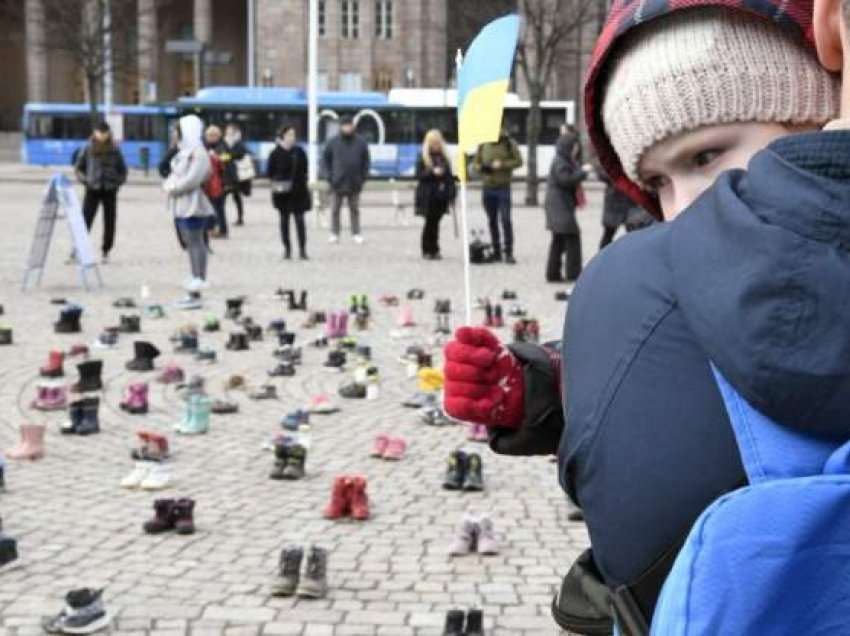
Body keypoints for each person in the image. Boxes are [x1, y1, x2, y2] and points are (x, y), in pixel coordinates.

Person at [441, 0, 843, 630]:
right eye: (657, 183)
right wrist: (542, 388)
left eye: (707, 156)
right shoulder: (684, 269)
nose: (680, 208)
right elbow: (687, 373)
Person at [163, 115, 215, 292]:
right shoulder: (183, 150)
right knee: (188, 240)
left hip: (193, 203)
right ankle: (194, 274)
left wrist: (174, 188)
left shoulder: (198, 152)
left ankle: (200, 276)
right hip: (182, 203)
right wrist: (169, 184)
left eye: (178, 131)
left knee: (196, 240)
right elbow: (175, 172)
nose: (175, 135)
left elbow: (193, 178)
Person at [74, 121, 127, 264]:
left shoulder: (115, 149)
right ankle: (78, 249)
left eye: (105, 133)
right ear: (95, 132)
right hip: (92, 189)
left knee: (110, 222)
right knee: (85, 220)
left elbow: (123, 170)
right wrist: (86, 181)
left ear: (109, 133)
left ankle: (106, 250)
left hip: (110, 189)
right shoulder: (88, 148)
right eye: (100, 132)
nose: (102, 135)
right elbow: (79, 168)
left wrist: (117, 183)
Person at [473, 127, 522, 264]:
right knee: (492, 220)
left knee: (506, 219)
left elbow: (518, 161)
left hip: (503, 187)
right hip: (488, 187)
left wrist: (502, 165)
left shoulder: (509, 143)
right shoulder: (483, 144)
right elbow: (475, 163)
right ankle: (496, 251)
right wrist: (483, 167)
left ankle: (509, 252)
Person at [543, 132, 587, 282]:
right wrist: (583, 172)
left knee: (559, 239)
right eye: (575, 147)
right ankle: (573, 273)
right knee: (572, 238)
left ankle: (553, 274)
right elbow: (566, 180)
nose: (576, 150)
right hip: (559, 206)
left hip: (559, 205)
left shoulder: (563, 160)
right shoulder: (560, 161)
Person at [321, 116, 370, 244]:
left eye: (349, 125)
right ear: (341, 127)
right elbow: (325, 161)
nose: (347, 127)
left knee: (354, 209)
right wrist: (329, 177)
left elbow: (366, 161)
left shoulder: (361, 142)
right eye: (345, 125)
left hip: (354, 182)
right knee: (335, 210)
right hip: (337, 182)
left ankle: (356, 233)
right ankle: (334, 233)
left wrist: (363, 178)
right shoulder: (332, 142)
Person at [267, 125, 311, 260]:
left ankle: (302, 250)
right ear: (283, 136)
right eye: (289, 134)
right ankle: (287, 249)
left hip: (299, 192)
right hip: (282, 194)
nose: (292, 137)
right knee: (284, 222)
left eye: (293, 134)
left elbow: (305, 170)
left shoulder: (300, 152)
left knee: (300, 221)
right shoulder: (275, 153)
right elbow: (270, 172)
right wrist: (279, 180)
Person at [414, 129, 456, 260]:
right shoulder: (423, 157)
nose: (435, 146)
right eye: (433, 143)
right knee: (429, 222)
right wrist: (432, 172)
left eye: (437, 143)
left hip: (440, 195)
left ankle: (435, 248)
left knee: (436, 222)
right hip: (427, 195)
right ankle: (427, 249)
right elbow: (418, 175)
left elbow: (449, 177)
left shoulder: (444, 158)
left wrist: (452, 193)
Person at [597, 166, 633, 249]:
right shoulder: (610, 158)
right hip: (614, 202)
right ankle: (602, 258)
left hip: (630, 201)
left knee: (635, 233)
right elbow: (601, 174)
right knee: (609, 233)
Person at [204, 125, 229, 238]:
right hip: (209, 182)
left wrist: (217, 157)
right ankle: (212, 228)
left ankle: (221, 230)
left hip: (220, 182)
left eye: (213, 135)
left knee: (218, 207)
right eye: (209, 135)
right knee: (211, 207)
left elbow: (227, 160)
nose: (211, 137)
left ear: (218, 136)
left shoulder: (222, 146)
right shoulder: (205, 146)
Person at [224, 124, 251, 226]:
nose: (228, 133)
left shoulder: (239, 143)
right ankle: (221, 218)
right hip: (227, 174)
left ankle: (240, 218)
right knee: (223, 196)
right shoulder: (225, 142)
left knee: (236, 196)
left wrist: (226, 157)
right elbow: (222, 153)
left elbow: (239, 154)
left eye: (230, 131)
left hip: (236, 175)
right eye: (227, 131)